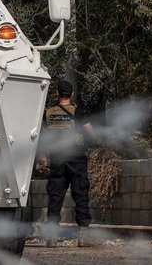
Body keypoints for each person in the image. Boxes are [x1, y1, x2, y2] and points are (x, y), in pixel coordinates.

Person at [43, 80, 97, 247]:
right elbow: (92, 135)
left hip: (57, 159)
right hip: (76, 158)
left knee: (55, 197)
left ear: (57, 94)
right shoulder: (77, 113)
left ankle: (51, 238)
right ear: (71, 95)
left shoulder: (48, 114)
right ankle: (83, 237)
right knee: (80, 195)